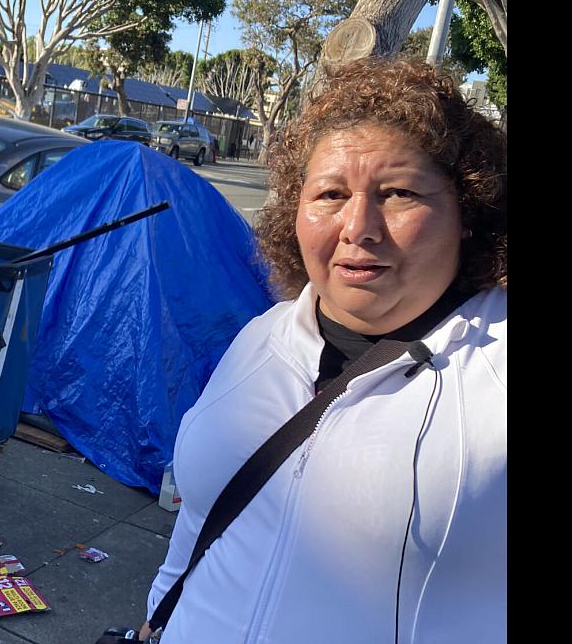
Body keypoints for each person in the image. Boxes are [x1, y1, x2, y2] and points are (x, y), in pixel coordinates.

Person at [137, 57, 507, 643]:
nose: (358, 226)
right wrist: (159, 612)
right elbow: (200, 516)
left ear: (468, 210)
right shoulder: (263, 336)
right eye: (330, 193)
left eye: (400, 193)